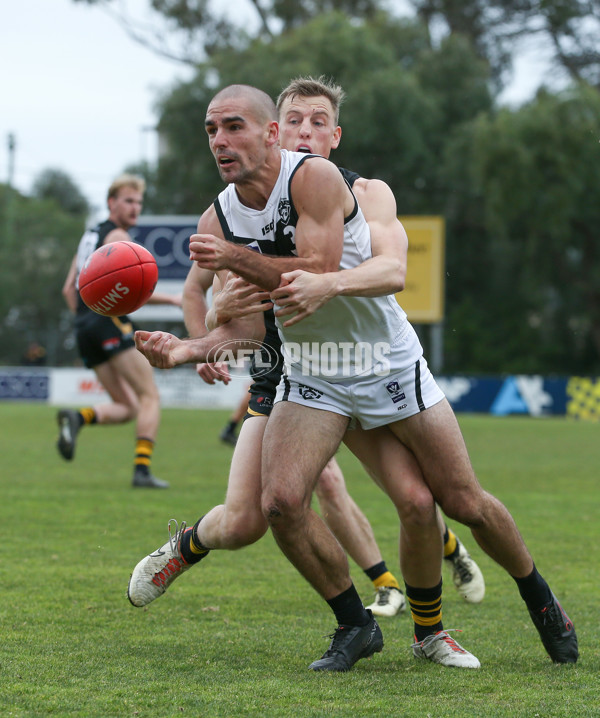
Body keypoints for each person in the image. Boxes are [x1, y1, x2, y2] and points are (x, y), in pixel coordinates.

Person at [132, 83, 577, 671]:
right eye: (297, 120)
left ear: (331, 137)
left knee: (451, 500)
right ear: (279, 130)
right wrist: (191, 348)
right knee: (273, 507)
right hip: (306, 370)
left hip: (381, 362)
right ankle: (356, 624)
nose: (307, 132)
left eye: (320, 122)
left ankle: (536, 598)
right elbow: (236, 323)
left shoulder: (349, 189)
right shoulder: (223, 214)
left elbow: (378, 269)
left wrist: (315, 281)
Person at [179, 260, 408, 616]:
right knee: (245, 523)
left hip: (336, 364)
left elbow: (334, 270)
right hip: (277, 375)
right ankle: (184, 546)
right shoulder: (220, 219)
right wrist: (205, 338)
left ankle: (414, 568)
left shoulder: (308, 213)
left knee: (406, 486)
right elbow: (197, 291)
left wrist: (210, 329)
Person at [57, 173, 181, 489]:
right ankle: (142, 471)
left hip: (84, 327)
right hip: (104, 320)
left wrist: (85, 321)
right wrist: (172, 299)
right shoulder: (117, 236)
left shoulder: (90, 235)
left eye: (139, 202)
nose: (135, 207)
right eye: (128, 200)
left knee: (127, 406)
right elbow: (129, 286)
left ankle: (78, 417)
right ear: (111, 202)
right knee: (149, 395)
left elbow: (69, 290)